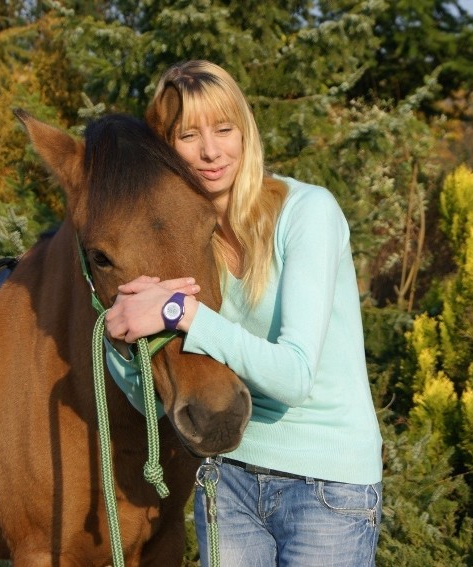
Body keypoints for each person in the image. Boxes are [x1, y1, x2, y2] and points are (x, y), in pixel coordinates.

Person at [104, 60, 383, 567]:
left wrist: (181, 314)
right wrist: (121, 344)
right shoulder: (186, 243)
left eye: (224, 129)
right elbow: (153, 404)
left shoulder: (307, 213)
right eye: (189, 135)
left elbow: (295, 376)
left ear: (245, 132)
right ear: (163, 148)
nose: (211, 151)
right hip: (227, 479)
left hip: (326, 487)